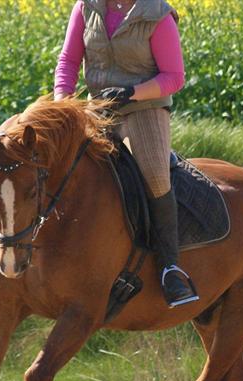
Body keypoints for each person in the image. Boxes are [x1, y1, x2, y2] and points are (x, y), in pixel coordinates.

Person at [53, 0, 198, 308]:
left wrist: (131, 92)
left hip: (143, 110)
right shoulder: (86, 8)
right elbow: (68, 61)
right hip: (97, 110)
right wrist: (63, 104)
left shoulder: (157, 15)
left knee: (156, 177)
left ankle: (170, 268)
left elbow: (174, 77)